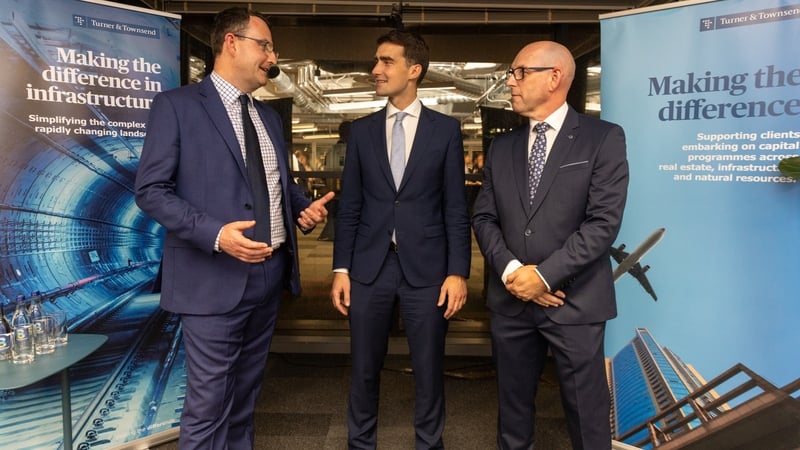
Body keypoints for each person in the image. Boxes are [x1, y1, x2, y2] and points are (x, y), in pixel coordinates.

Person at [134, 7, 333, 450]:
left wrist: (301, 207)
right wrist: (217, 234)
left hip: (269, 275)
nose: (272, 58)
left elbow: (275, 183)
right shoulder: (177, 106)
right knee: (209, 406)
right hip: (212, 277)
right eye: (265, 46)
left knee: (245, 397)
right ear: (231, 43)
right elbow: (151, 191)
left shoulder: (268, 117)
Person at [471, 41, 628, 450]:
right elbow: (484, 218)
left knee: (587, 415)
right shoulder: (502, 147)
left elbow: (602, 223)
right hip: (511, 302)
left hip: (575, 302)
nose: (510, 81)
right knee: (512, 413)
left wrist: (543, 277)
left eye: (520, 72)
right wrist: (513, 273)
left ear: (554, 77)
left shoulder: (602, 138)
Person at [330, 29, 471, 450]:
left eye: (386, 61)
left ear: (414, 70)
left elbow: (455, 208)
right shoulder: (361, 131)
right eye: (376, 60)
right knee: (363, 368)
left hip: (428, 270)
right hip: (368, 268)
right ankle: (360, 444)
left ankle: (429, 444)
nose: (376, 69)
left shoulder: (446, 131)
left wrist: (458, 272)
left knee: (428, 369)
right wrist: (341, 268)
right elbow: (350, 206)